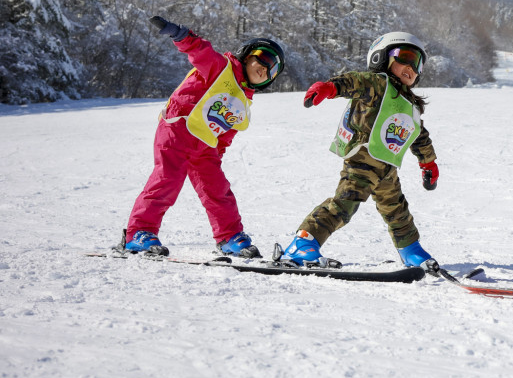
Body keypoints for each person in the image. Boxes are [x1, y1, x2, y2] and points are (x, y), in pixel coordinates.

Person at [121, 16, 285, 258]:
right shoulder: (222, 69)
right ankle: (139, 232)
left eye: (273, 71)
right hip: (178, 129)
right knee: (167, 180)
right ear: (247, 54)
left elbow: (227, 131)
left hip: (205, 146)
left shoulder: (243, 100)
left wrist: (217, 152)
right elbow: (200, 51)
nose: (266, 68)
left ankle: (229, 236)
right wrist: (180, 35)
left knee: (218, 189)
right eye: (265, 58)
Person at [281, 32, 441, 268]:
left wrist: (428, 163)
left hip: (387, 168)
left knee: (397, 211)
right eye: (404, 57)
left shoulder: (412, 106)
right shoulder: (377, 85)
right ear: (381, 58)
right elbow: (354, 82)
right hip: (362, 160)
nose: (410, 67)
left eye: (417, 63)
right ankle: (303, 243)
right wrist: (330, 88)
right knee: (344, 203)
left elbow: (419, 136)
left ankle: (411, 249)